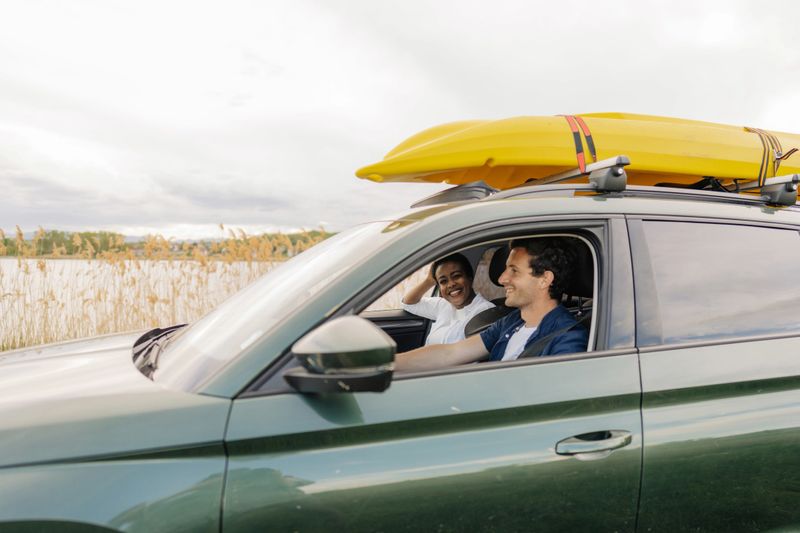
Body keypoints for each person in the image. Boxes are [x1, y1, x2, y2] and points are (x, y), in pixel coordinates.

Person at [396, 238, 588, 371]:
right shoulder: (512, 322)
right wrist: (387, 364)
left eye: (513, 270)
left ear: (544, 279)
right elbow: (450, 353)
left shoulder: (568, 339)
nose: (502, 278)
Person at [402, 253, 495, 345]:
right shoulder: (442, 305)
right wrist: (428, 281)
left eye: (456, 276)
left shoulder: (486, 311)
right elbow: (408, 303)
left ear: (469, 277)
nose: (451, 284)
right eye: (443, 281)